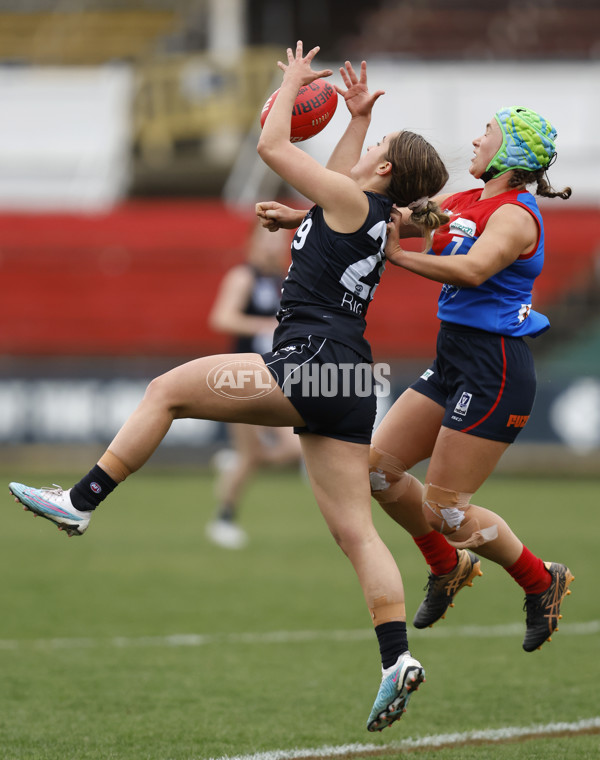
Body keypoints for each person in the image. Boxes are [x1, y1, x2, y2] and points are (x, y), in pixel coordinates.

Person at [8, 43, 450, 732]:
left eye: (378, 143)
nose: (364, 145)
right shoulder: (360, 207)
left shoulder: (347, 199)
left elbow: (274, 144)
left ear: (385, 168)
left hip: (307, 361)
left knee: (165, 392)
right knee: (357, 534)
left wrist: (294, 86)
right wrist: (359, 120)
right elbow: (332, 185)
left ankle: (82, 500)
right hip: (349, 377)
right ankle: (396, 659)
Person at [368, 106, 574, 653]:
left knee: (447, 509)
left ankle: (541, 579)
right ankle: (447, 566)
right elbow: (384, 216)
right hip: (454, 357)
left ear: (511, 154)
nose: (476, 140)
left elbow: (473, 269)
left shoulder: (516, 216)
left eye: (488, 133)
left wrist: (398, 258)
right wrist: (302, 218)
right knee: (379, 473)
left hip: (496, 368)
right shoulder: (463, 203)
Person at [206, 222, 302, 549]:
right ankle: (223, 519)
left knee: (291, 449)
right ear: (251, 241)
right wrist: (264, 324)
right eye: (267, 238)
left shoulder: (281, 281)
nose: (274, 246)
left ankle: (236, 464)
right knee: (251, 456)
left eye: (280, 239)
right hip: (241, 378)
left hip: (274, 377)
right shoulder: (243, 276)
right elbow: (222, 317)